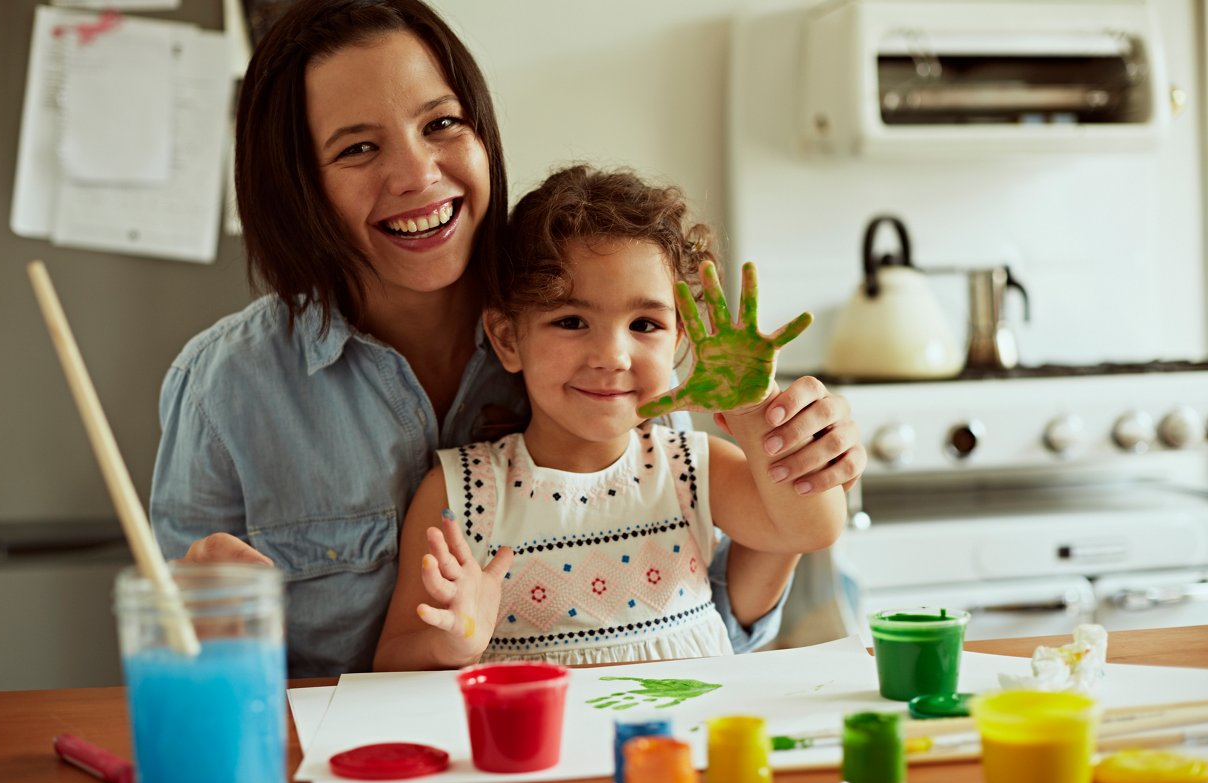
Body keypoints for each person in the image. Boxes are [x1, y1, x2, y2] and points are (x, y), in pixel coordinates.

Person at [149, 0, 866, 678]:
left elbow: (726, 604)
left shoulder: (626, 382)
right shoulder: (225, 388)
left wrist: (783, 439)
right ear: (301, 188)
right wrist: (207, 632)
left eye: (441, 125)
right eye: (360, 148)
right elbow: (188, 670)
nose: (417, 175)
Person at [373, 165, 851, 670]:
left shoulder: (693, 467)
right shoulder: (458, 493)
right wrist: (453, 644)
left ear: (680, 341)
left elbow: (810, 529)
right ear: (509, 338)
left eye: (645, 324)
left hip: (683, 743)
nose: (612, 355)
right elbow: (391, 660)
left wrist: (755, 408)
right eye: (572, 321)